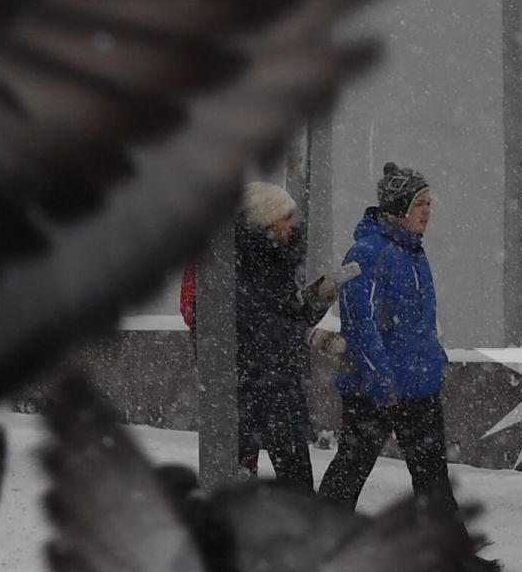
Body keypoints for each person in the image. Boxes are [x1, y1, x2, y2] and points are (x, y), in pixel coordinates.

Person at [318, 162, 457, 516]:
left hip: (417, 383)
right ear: (399, 207)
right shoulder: (367, 253)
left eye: (428, 202)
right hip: (375, 389)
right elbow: (360, 325)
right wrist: (382, 383)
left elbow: (418, 323)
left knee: (433, 479)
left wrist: (433, 360)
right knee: (350, 471)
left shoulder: (413, 252)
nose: (427, 211)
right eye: (419, 203)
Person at [180, 184, 344, 482]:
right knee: (242, 480)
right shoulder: (229, 265)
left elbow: (286, 312)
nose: (292, 225)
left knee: (296, 478)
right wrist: (307, 336)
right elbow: (256, 322)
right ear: (266, 221)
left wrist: (318, 298)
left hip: (278, 384)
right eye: (285, 217)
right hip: (245, 387)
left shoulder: (276, 260)